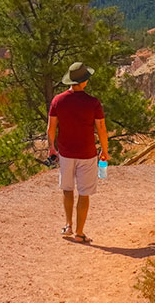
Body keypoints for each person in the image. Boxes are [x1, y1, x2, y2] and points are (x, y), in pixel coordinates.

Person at [47, 61, 108, 244]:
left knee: (67, 189)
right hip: (87, 153)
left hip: (65, 153)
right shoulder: (93, 103)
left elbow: (51, 128)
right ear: (85, 81)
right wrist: (105, 150)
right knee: (84, 193)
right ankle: (80, 233)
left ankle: (68, 225)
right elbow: (101, 129)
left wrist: (52, 147)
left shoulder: (58, 100)